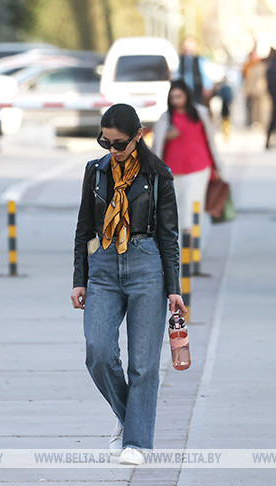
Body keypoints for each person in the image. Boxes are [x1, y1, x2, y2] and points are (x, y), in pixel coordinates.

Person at [71, 104, 187, 466]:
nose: (112, 150)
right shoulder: (95, 173)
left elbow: (169, 235)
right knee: (99, 351)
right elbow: (83, 229)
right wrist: (79, 279)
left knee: (143, 365)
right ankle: (130, 418)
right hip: (103, 265)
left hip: (146, 264)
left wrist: (174, 287)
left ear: (139, 136)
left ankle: (136, 442)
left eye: (119, 143)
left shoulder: (159, 175)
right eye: (105, 142)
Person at [151, 79, 223, 238]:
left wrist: (216, 166)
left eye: (179, 96)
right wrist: (167, 137)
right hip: (172, 170)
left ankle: (193, 244)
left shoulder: (200, 114)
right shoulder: (165, 118)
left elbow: (209, 141)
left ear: (187, 96)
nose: (176, 100)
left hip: (198, 168)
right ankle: (179, 243)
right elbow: (156, 145)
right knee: (175, 208)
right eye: (173, 97)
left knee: (194, 206)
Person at [177, 36, 213, 109]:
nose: (188, 49)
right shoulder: (180, 60)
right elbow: (177, 75)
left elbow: (205, 75)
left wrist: (207, 87)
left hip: (197, 93)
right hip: (184, 91)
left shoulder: (200, 60)